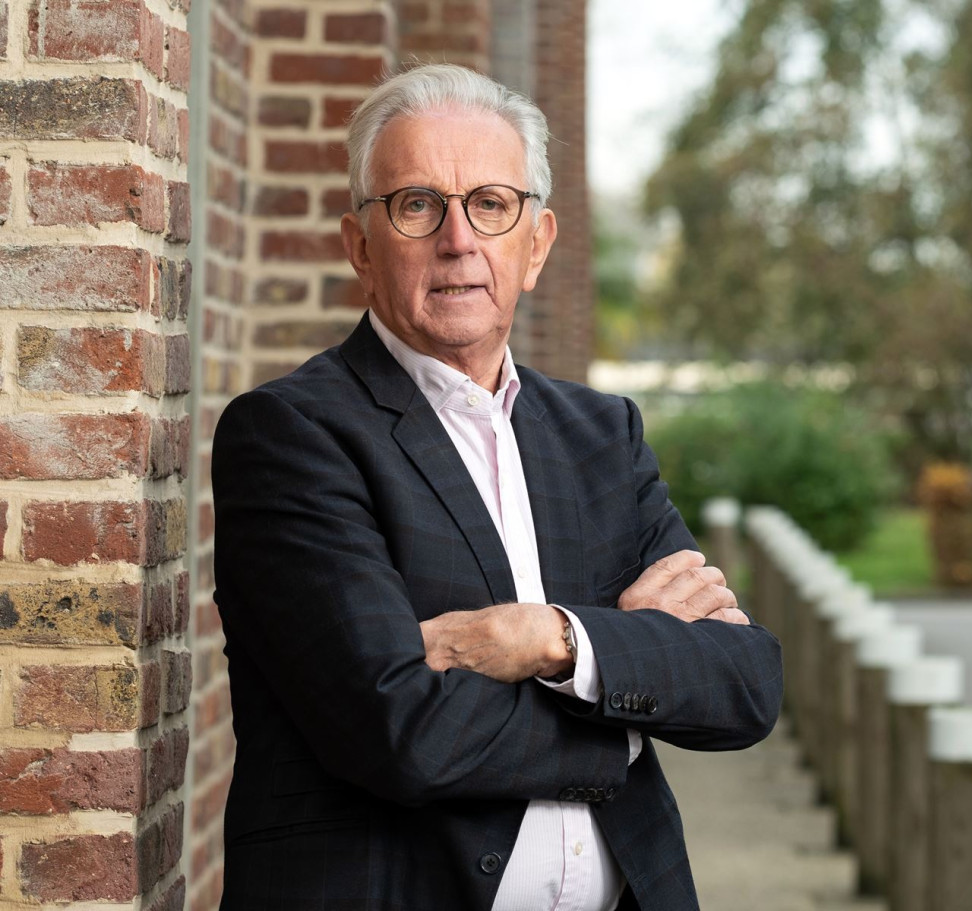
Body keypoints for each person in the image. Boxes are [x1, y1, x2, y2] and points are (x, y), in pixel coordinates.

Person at [210, 63, 784, 911]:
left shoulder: (601, 435)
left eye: (491, 204)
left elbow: (743, 683)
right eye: (417, 205)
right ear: (360, 247)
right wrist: (625, 695)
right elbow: (403, 730)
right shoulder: (294, 435)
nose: (459, 239)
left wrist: (552, 641)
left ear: (537, 244)